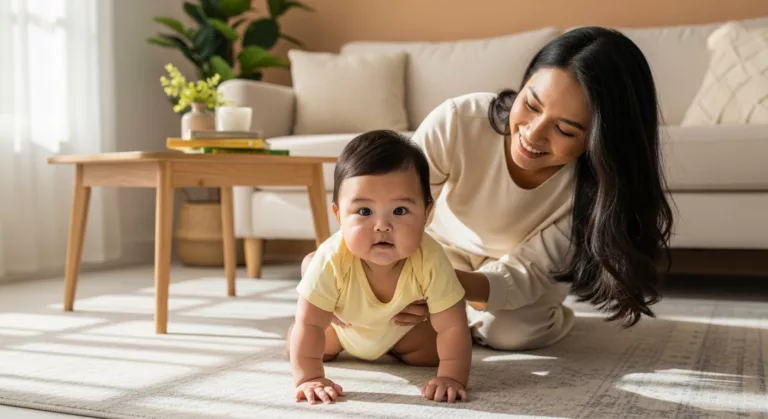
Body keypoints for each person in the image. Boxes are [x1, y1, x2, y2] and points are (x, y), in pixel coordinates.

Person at [305, 26, 673, 353]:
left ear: (599, 142)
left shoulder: (593, 193)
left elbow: (529, 270)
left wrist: (448, 291)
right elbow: (387, 200)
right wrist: (343, 266)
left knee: (511, 334)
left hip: (517, 275)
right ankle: (457, 315)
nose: (533, 133)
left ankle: (528, 314)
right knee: (391, 315)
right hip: (438, 254)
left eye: (565, 130)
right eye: (530, 104)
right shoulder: (459, 121)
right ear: (524, 84)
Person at [288, 130, 473, 405]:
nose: (382, 226)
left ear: (426, 214)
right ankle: (299, 347)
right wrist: (309, 377)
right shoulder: (331, 258)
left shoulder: (431, 257)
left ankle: (399, 350)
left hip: (402, 332)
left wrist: (451, 377)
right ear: (339, 215)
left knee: (435, 350)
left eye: (399, 211)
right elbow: (310, 322)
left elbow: (454, 326)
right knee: (308, 337)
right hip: (342, 330)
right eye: (364, 212)